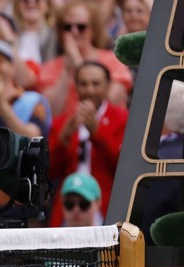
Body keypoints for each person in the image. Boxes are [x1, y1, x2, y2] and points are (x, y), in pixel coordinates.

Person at [48, 62, 126, 224]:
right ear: (75, 86)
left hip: (106, 207)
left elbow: (123, 166)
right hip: (69, 208)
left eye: (96, 84)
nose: (89, 90)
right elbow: (49, 171)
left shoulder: (123, 119)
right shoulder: (62, 122)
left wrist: (96, 132)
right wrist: (64, 138)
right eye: (83, 84)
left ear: (108, 85)